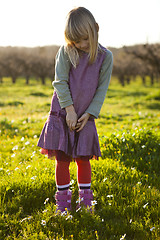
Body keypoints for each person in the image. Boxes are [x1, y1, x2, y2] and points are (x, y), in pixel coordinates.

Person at [37, 6, 113, 213]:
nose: (81, 45)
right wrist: (69, 111)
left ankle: (86, 203)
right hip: (64, 113)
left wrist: (88, 115)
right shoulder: (66, 51)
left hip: (85, 117)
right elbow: (60, 82)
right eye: (76, 41)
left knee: (83, 159)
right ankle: (62, 204)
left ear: (96, 29)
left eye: (85, 39)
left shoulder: (106, 57)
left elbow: (101, 90)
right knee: (62, 160)